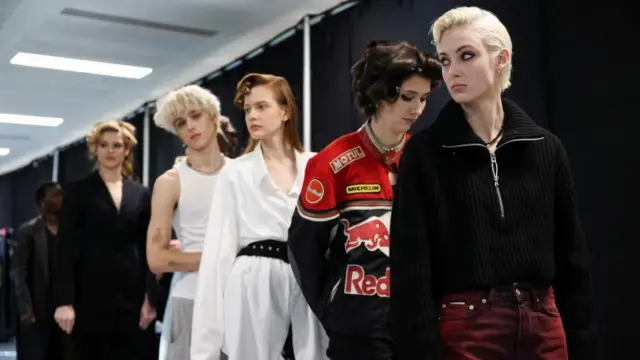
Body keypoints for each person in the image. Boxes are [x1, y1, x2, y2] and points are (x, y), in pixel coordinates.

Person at [389, 6, 596, 360]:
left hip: (544, 325)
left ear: (501, 59)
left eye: (466, 56)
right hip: (464, 329)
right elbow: (411, 273)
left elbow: (572, 263)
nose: (453, 70)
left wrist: (583, 346)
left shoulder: (545, 148)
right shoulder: (424, 154)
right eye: (445, 60)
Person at [286, 40, 441, 359]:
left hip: (419, 326)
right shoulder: (331, 162)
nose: (417, 109)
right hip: (357, 330)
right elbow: (304, 249)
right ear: (379, 94)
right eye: (407, 97)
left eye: (424, 99)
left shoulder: (428, 159)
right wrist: (334, 311)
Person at [191, 73, 328, 360]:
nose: (252, 115)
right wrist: (204, 350)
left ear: (285, 111)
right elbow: (217, 256)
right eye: (248, 108)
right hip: (253, 282)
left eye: (262, 106)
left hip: (308, 279)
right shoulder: (236, 173)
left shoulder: (317, 166)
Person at [53, 120, 159, 360]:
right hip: (89, 298)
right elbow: (65, 249)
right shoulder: (78, 191)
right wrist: (64, 302)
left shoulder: (140, 193)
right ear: (95, 149)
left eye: (117, 145)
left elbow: (148, 247)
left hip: (132, 298)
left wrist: (150, 297)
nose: (110, 151)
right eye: (104, 145)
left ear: (126, 150)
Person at [147, 84, 237, 360]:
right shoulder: (170, 182)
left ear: (212, 115)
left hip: (239, 299)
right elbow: (157, 259)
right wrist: (222, 256)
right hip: (191, 299)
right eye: (180, 123)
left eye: (195, 115)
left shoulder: (243, 173)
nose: (190, 126)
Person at [12, 182, 73, 360]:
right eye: (55, 195)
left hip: (66, 314)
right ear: (42, 202)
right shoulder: (28, 232)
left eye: (62, 194)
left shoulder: (71, 232)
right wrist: (25, 310)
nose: (61, 198)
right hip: (37, 313)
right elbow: (18, 272)